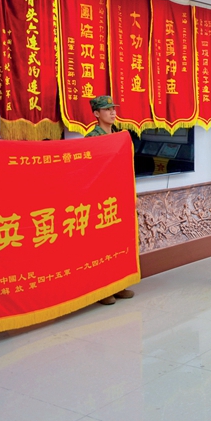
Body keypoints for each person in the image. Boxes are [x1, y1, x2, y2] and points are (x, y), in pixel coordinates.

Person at [84, 95, 135, 305]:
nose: (113, 112)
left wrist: (132, 193)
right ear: (97, 113)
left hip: (119, 196)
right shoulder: (92, 138)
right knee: (102, 245)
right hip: (101, 198)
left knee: (118, 242)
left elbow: (126, 168)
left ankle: (118, 284)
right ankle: (103, 289)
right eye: (107, 109)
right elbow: (89, 171)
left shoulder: (119, 136)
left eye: (113, 109)